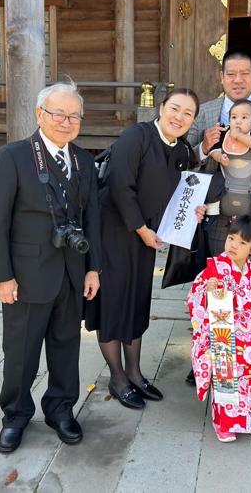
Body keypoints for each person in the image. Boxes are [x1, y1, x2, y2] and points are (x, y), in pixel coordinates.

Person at [0, 80, 102, 454]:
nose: (66, 122)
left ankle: (60, 408)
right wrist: (2, 276)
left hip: (71, 273)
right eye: (58, 114)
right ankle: (15, 416)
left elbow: (93, 218)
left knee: (66, 346)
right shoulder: (13, 156)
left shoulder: (84, 160)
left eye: (74, 116)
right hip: (25, 275)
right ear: (39, 115)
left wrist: (93, 268)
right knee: (21, 351)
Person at [87, 88, 203, 409]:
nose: (179, 117)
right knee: (114, 304)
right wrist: (142, 229)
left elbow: (181, 194)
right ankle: (118, 376)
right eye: (174, 108)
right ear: (161, 108)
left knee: (137, 302)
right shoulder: (136, 136)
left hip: (146, 238)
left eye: (187, 113)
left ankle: (135, 373)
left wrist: (191, 212)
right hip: (116, 232)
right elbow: (119, 186)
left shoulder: (181, 150)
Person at [187, 216, 251, 443]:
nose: (233, 245)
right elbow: (195, 296)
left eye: (242, 243)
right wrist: (207, 289)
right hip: (224, 334)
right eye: (231, 238)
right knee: (225, 380)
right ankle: (224, 424)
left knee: (248, 381)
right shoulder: (216, 266)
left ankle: (250, 421)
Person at [187, 48, 251, 257]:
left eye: (245, 73)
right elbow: (184, 159)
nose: (237, 80)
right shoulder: (203, 112)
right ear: (221, 77)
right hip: (217, 218)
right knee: (219, 282)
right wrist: (204, 147)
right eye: (231, 74)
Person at [205, 98, 251, 237]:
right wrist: (219, 157)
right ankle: (211, 213)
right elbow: (214, 149)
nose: (238, 121)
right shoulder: (226, 134)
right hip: (227, 173)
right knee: (213, 184)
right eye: (234, 117)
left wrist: (239, 136)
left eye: (244, 117)